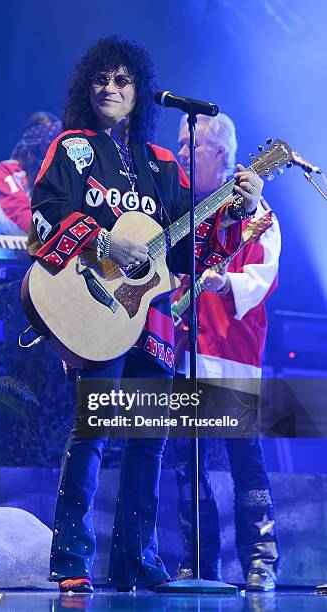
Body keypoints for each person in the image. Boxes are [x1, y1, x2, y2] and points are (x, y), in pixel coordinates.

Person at [26, 37, 263, 594]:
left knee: (149, 438)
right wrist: (105, 241)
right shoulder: (73, 148)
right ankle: (70, 560)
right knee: (95, 432)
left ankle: (137, 560)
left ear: (140, 93)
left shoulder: (160, 166)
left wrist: (240, 208)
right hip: (94, 309)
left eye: (122, 80)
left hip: (149, 321)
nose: (110, 88)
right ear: (88, 87)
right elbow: (43, 219)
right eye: (101, 79)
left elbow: (190, 250)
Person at [172, 112, 281, 591]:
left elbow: (263, 275)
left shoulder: (257, 213)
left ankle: (260, 561)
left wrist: (223, 282)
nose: (180, 153)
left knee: (245, 461)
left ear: (222, 155)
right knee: (187, 463)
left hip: (231, 350)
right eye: (178, 144)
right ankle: (199, 562)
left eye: (190, 146)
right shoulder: (178, 212)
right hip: (181, 352)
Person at [0, 112, 62, 235]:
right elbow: (16, 211)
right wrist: (52, 236)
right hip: (9, 249)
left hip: (47, 248)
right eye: (49, 142)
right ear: (35, 144)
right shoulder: (8, 170)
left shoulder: (56, 174)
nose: (53, 147)